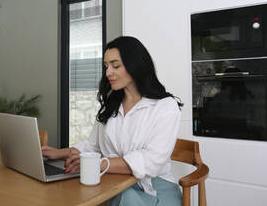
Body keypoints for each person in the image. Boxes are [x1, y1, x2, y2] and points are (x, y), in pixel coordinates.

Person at [42, 36, 183, 206]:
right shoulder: (111, 106)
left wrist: (97, 164)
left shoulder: (165, 106)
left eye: (115, 66)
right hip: (116, 182)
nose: (108, 72)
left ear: (135, 65)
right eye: (106, 66)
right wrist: (57, 153)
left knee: (124, 198)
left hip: (157, 186)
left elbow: (151, 161)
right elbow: (92, 146)